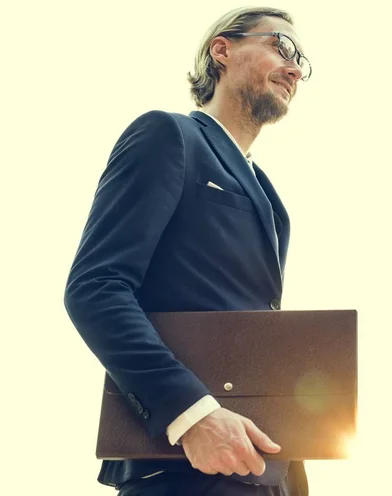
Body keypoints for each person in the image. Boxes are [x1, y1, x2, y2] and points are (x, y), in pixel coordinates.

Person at [63, 6, 312, 495]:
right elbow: (96, 288)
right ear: (222, 49)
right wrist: (190, 414)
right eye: (281, 47)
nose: (296, 68)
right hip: (182, 469)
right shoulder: (167, 135)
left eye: (302, 60)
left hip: (264, 473)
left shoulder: (270, 197)